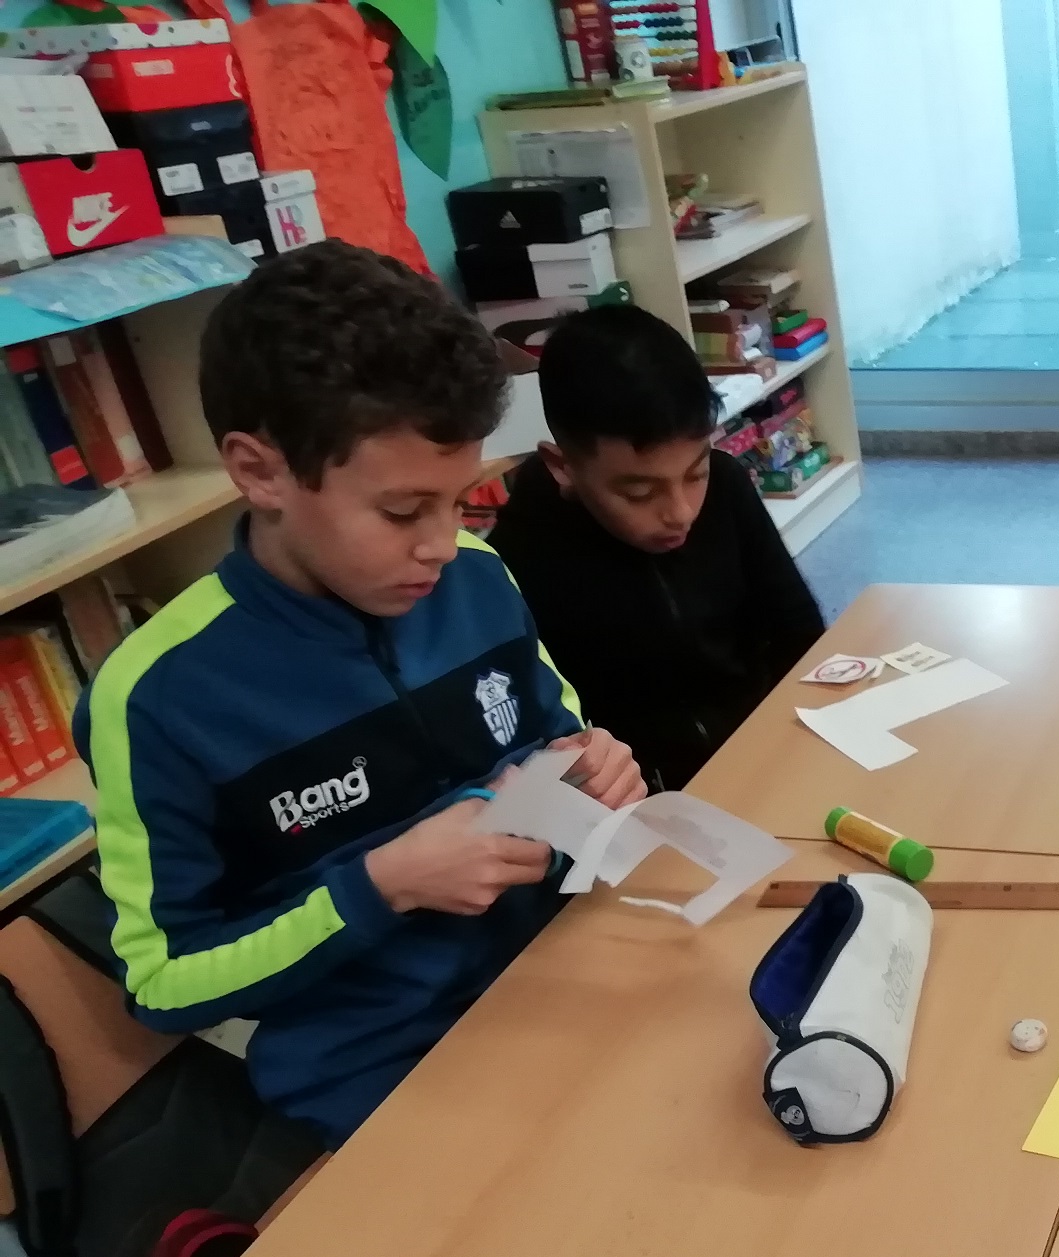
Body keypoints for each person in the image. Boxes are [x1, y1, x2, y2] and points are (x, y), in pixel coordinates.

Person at [81, 241, 643, 1150]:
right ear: (260, 472)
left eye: (461, 500)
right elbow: (163, 983)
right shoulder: (157, 696)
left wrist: (594, 776)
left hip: (560, 982)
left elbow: (560, 743)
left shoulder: (477, 576)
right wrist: (381, 887)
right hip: (381, 1077)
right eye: (402, 511)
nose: (441, 544)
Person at [492, 306, 825, 793]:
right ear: (562, 466)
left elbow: (798, 631)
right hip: (644, 799)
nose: (680, 512)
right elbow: (546, 738)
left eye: (695, 473)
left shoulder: (726, 487)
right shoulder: (516, 563)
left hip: (762, 754)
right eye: (639, 493)